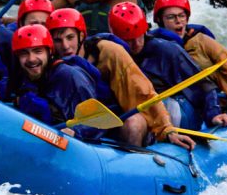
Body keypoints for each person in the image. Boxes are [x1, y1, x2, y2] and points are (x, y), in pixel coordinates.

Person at [46, 8, 195, 149]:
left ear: (81, 36)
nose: (65, 46)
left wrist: (167, 130)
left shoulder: (109, 52)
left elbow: (143, 91)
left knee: (134, 124)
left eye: (70, 37)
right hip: (82, 122)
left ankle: (132, 166)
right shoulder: (46, 60)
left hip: (118, 117)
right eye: (58, 40)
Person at [108, 1, 227, 130]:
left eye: (139, 36)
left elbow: (204, 84)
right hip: (138, 108)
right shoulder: (107, 52)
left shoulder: (168, 50)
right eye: (128, 40)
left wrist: (214, 114)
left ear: (145, 30)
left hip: (179, 109)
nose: (136, 44)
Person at [151, 0, 227, 116]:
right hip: (176, 104)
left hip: (211, 101)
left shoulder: (202, 41)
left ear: (187, 18)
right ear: (160, 20)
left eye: (181, 16)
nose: (178, 21)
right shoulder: (152, 45)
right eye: (171, 17)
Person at [10, 24, 99, 139]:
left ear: (49, 52)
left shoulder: (70, 76)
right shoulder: (21, 77)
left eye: (38, 51)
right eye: (24, 53)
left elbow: (95, 121)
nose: (31, 59)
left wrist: (76, 132)